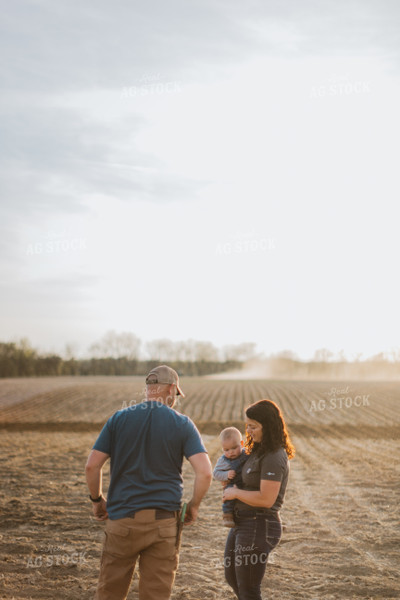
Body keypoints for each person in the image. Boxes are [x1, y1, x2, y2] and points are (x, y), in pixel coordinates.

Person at [85, 365, 212, 600]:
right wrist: (194, 505)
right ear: (172, 388)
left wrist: (97, 500)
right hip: (164, 524)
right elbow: (205, 473)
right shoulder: (183, 424)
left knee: (109, 593)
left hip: (121, 520)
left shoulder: (118, 419)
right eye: (176, 394)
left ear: (148, 388)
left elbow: (92, 466)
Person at [222, 399, 295, 600]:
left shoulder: (274, 456)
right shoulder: (257, 451)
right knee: (232, 577)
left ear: (268, 427)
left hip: (259, 524)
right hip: (242, 522)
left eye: (253, 426)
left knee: (248, 588)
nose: (248, 430)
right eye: (247, 425)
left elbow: (266, 499)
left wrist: (235, 493)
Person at [213, 426, 248, 527]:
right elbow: (215, 473)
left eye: (234, 448)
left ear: (241, 444)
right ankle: (227, 516)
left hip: (246, 482)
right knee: (228, 495)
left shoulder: (247, 454)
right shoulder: (224, 460)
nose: (230, 452)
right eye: (226, 450)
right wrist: (226, 475)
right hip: (233, 483)